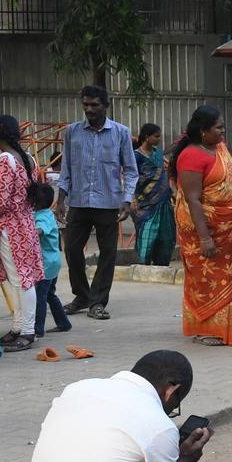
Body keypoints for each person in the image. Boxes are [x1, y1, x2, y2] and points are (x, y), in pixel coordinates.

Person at [24, 350, 213, 462]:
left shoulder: (75, 390)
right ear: (171, 390)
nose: (171, 411)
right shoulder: (159, 427)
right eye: (175, 405)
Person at [172, 106, 232, 347]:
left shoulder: (218, 149)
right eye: (218, 127)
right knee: (208, 280)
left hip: (229, 230)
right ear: (203, 131)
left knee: (226, 277)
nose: (223, 132)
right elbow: (193, 199)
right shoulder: (192, 155)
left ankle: (228, 327)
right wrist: (205, 238)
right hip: (205, 230)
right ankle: (208, 329)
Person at [58, 85, 138, 321]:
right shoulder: (72, 132)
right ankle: (82, 295)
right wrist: (60, 199)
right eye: (86, 104)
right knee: (72, 249)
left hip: (108, 203)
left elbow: (131, 171)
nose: (89, 109)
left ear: (105, 105)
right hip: (79, 202)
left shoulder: (121, 133)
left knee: (107, 254)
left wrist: (126, 199)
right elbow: (66, 168)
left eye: (94, 105)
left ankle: (98, 302)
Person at [0, 115, 45, 352]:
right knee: (21, 279)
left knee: (21, 281)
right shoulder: (27, 158)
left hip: (10, 226)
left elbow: (1, 202)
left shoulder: (4, 159)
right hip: (26, 224)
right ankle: (19, 327)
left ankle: (27, 331)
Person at [132, 123, 176, 267]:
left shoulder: (158, 153)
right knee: (147, 235)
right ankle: (143, 266)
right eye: (156, 136)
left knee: (166, 236)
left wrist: (173, 192)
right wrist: (132, 200)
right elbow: (130, 178)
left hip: (164, 202)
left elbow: (164, 174)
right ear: (146, 137)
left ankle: (162, 265)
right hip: (145, 204)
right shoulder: (136, 156)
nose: (159, 139)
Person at [32, 185, 70, 337]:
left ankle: (37, 329)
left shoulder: (42, 216)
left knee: (40, 296)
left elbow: (40, 230)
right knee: (49, 295)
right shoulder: (46, 213)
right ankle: (63, 323)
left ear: (35, 202)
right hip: (53, 261)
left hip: (46, 263)